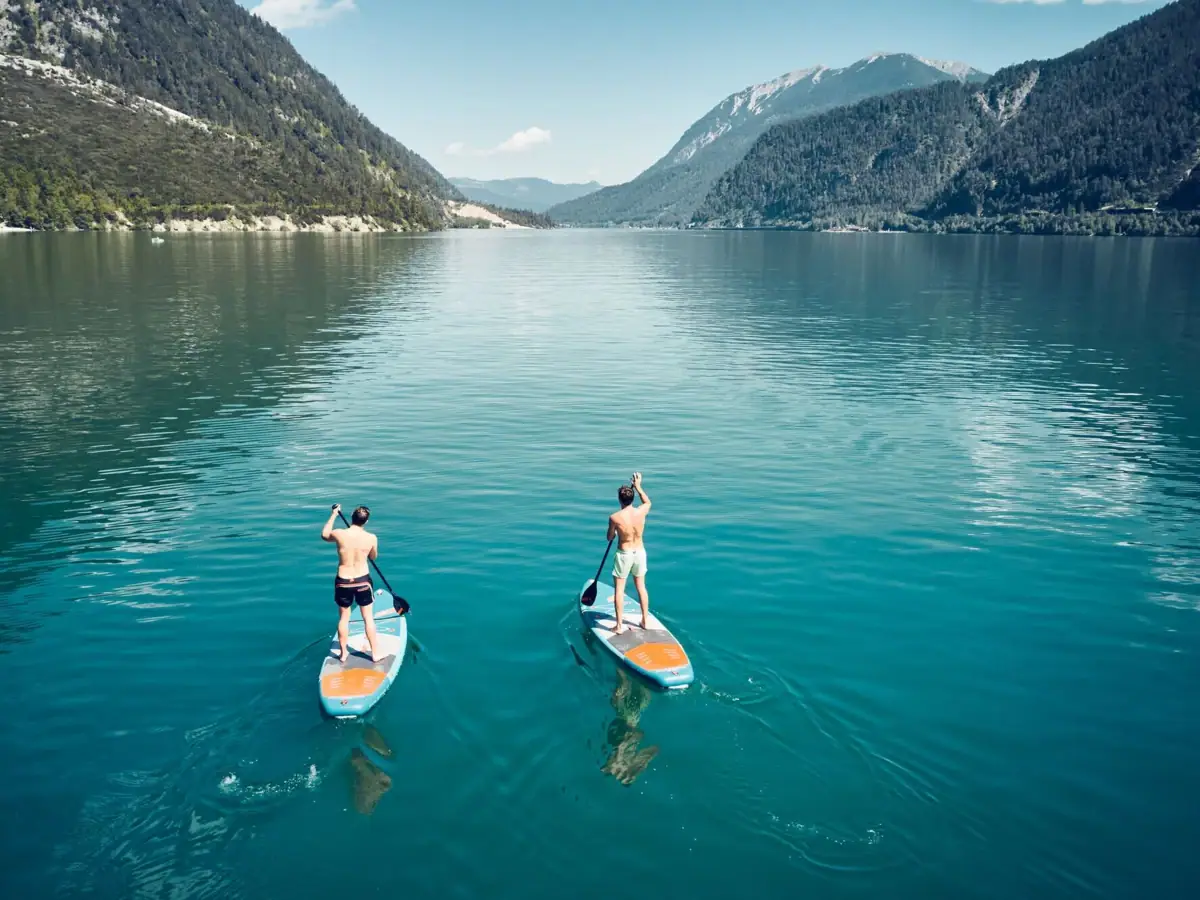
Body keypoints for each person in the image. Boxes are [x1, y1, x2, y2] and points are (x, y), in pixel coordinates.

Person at [321, 504, 381, 663]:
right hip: (362, 581)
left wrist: (334, 514)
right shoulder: (371, 538)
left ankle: (343, 654)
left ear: (351, 518)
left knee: (344, 619)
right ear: (366, 521)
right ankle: (375, 654)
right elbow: (373, 557)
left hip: (343, 581)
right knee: (368, 618)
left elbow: (324, 535)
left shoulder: (339, 533)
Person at [607, 472, 651, 634]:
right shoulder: (642, 511)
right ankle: (645, 620)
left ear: (620, 500)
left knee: (619, 590)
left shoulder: (615, 517)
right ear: (632, 499)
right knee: (641, 587)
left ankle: (619, 626)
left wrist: (616, 531)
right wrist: (639, 486)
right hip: (640, 552)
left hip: (624, 554)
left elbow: (609, 537)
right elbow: (647, 501)